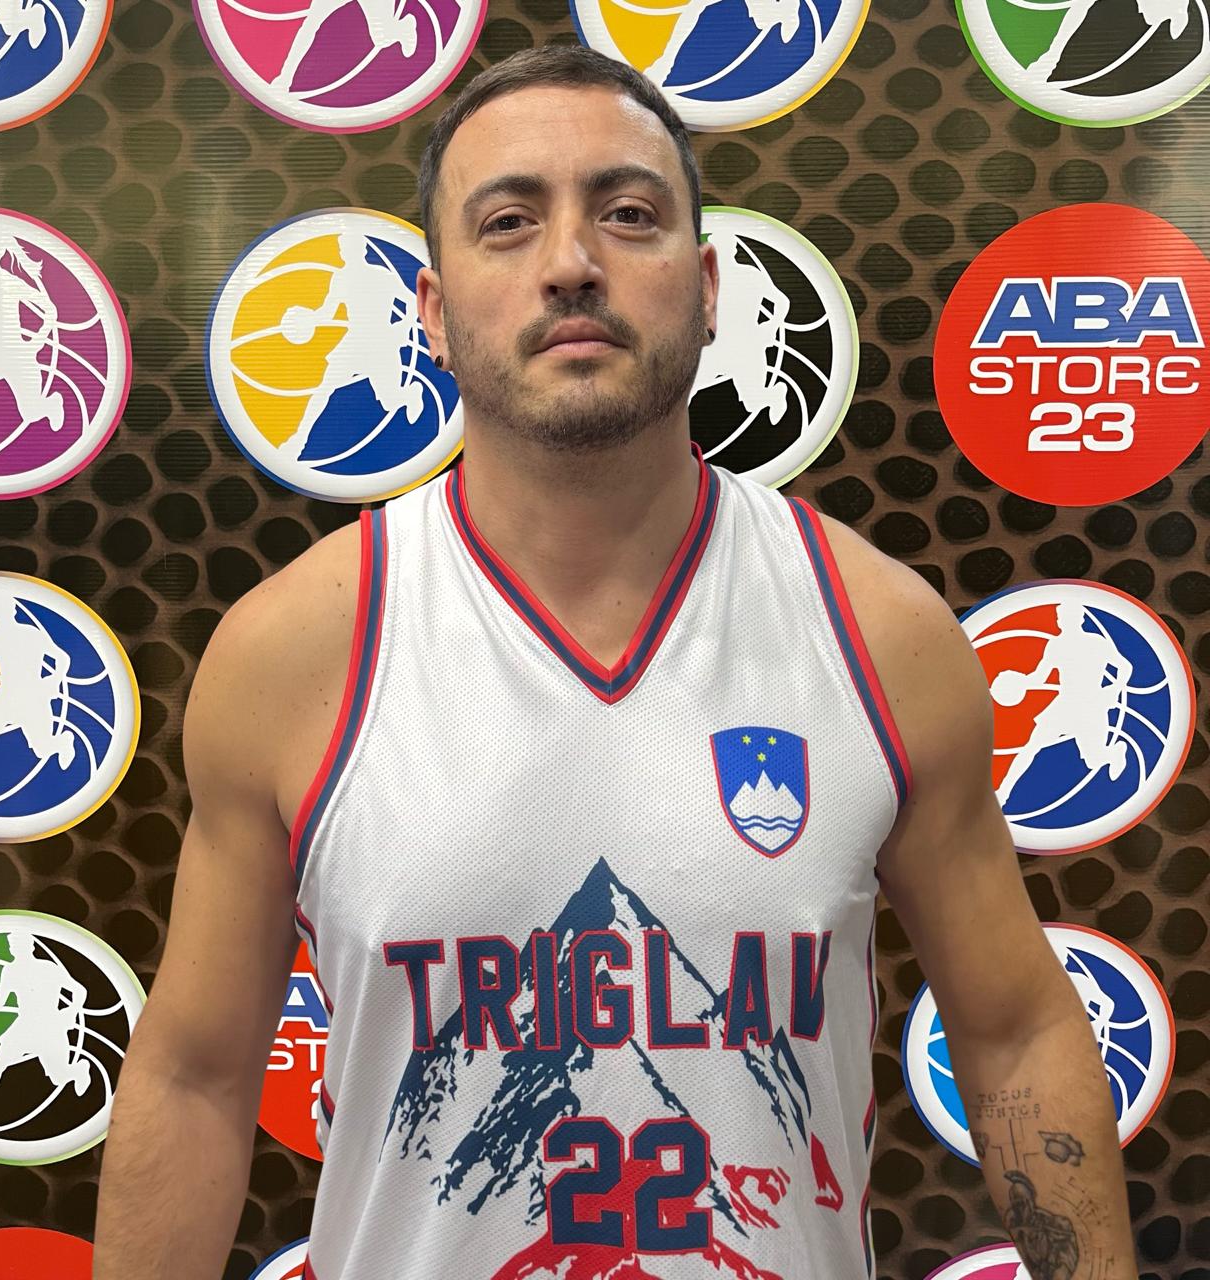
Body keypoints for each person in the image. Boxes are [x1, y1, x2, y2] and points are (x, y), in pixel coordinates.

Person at [93, 44, 1140, 1280]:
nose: (571, 262)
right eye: (507, 221)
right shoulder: (294, 652)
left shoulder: (877, 631)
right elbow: (197, 1074)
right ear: (431, 310)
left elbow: (1014, 1031)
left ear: (705, 286)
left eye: (627, 213)